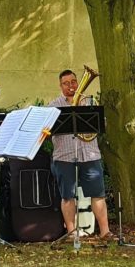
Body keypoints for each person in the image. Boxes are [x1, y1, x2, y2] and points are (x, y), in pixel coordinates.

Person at [48, 69, 113, 241]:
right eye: (66, 83)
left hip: (90, 154)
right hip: (64, 155)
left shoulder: (89, 102)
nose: (71, 86)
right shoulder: (53, 106)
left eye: (73, 82)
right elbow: (46, 129)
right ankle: (72, 232)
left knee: (98, 194)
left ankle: (105, 231)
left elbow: (101, 125)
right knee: (67, 196)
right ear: (60, 86)